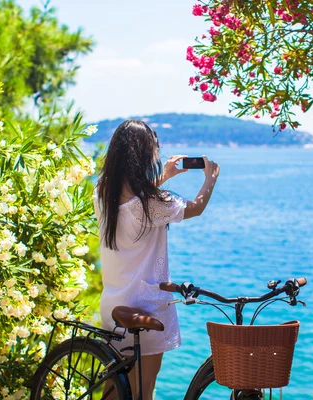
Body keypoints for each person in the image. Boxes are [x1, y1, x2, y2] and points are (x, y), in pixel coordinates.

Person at [93, 119, 220, 399]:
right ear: (143, 155)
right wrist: (210, 177)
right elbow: (195, 208)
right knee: (143, 391)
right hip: (146, 307)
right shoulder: (153, 203)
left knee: (114, 390)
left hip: (114, 304)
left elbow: (134, 204)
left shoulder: (103, 191)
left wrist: (164, 176)